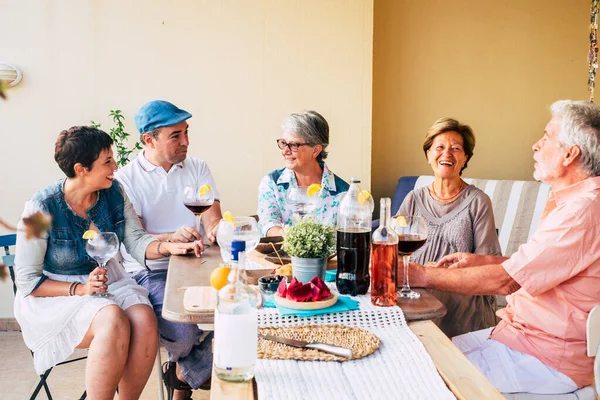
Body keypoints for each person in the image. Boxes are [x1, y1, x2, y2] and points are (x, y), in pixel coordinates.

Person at [410, 100, 600, 395]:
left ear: (570, 154)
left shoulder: (582, 210)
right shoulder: (570, 202)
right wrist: (479, 260)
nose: (536, 145)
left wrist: (418, 274)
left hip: (544, 356)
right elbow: (537, 266)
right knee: (415, 355)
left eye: (547, 136)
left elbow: (508, 280)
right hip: (517, 336)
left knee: (422, 380)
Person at [13, 126, 202, 400]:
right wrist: (81, 290)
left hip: (109, 283)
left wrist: (170, 246)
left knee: (144, 319)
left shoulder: (114, 191)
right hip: (56, 295)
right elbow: (28, 281)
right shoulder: (40, 208)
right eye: (107, 162)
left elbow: (136, 240)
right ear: (81, 169)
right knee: (112, 318)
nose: (116, 166)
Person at [115, 100, 221, 398]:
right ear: (148, 139)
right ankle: (183, 376)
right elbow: (135, 237)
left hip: (201, 264)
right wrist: (172, 239)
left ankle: (178, 375)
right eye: (176, 135)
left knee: (240, 315)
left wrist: (218, 231)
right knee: (185, 331)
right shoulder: (125, 179)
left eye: (186, 132)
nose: (186, 141)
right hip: (151, 271)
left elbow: (213, 222)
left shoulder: (198, 167)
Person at [398, 117, 501, 337]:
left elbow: (488, 267)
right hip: (418, 300)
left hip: (462, 309)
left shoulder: (478, 201)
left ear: (465, 158)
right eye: (440, 147)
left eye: (456, 149)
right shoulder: (413, 199)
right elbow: (392, 251)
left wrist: (440, 273)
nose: (447, 154)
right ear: (428, 155)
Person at [258, 110, 349, 236]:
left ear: (316, 150)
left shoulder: (344, 194)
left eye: (294, 145)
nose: (285, 151)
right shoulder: (272, 183)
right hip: (280, 256)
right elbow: (268, 224)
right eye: (284, 143)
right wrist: (301, 241)